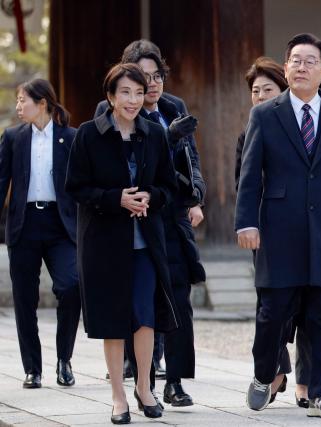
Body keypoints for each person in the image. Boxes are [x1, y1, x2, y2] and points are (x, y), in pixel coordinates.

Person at [235, 33, 321, 418]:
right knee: (273, 312)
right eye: (295, 60)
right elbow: (250, 176)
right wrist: (247, 223)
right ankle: (264, 374)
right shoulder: (265, 114)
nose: (302, 67)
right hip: (278, 229)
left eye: (311, 61)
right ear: (287, 66)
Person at [95, 39, 206, 407]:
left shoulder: (175, 107)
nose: (151, 85)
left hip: (170, 213)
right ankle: (142, 374)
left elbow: (191, 159)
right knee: (140, 298)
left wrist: (197, 197)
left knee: (178, 298)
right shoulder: (107, 112)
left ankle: (174, 380)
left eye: (157, 76)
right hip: (131, 219)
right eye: (143, 77)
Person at [66, 63, 178, 424]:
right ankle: (118, 396)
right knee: (112, 319)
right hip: (102, 243)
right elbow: (76, 189)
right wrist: (117, 199)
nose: (133, 100)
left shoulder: (155, 135)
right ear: (111, 96)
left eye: (138, 92)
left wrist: (150, 196)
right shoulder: (88, 135)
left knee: (144, 317)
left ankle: (144, 387)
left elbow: (169, 187)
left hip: (145, 242)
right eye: (125, 92)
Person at [236, 56, 312, 408]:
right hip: (267, 232)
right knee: (272, 305)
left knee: (311, 305)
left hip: (307, 227)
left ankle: (306, 383)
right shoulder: (248, 132)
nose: (261, 96)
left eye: (268, 89)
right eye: (255, 91)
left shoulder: (308, 127)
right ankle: (275, 369)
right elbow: (244, 182)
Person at [0, 79, 80, 389]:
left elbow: (80, 185)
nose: (19, 107)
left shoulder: (70, 139)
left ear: (43, 103)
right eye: (17, 101)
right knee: (24, 299)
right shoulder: (12, 138)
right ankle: (32, 368)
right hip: (24, 225)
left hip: (61, 226)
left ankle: (64, 359)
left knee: (71, 286)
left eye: (23, 101)